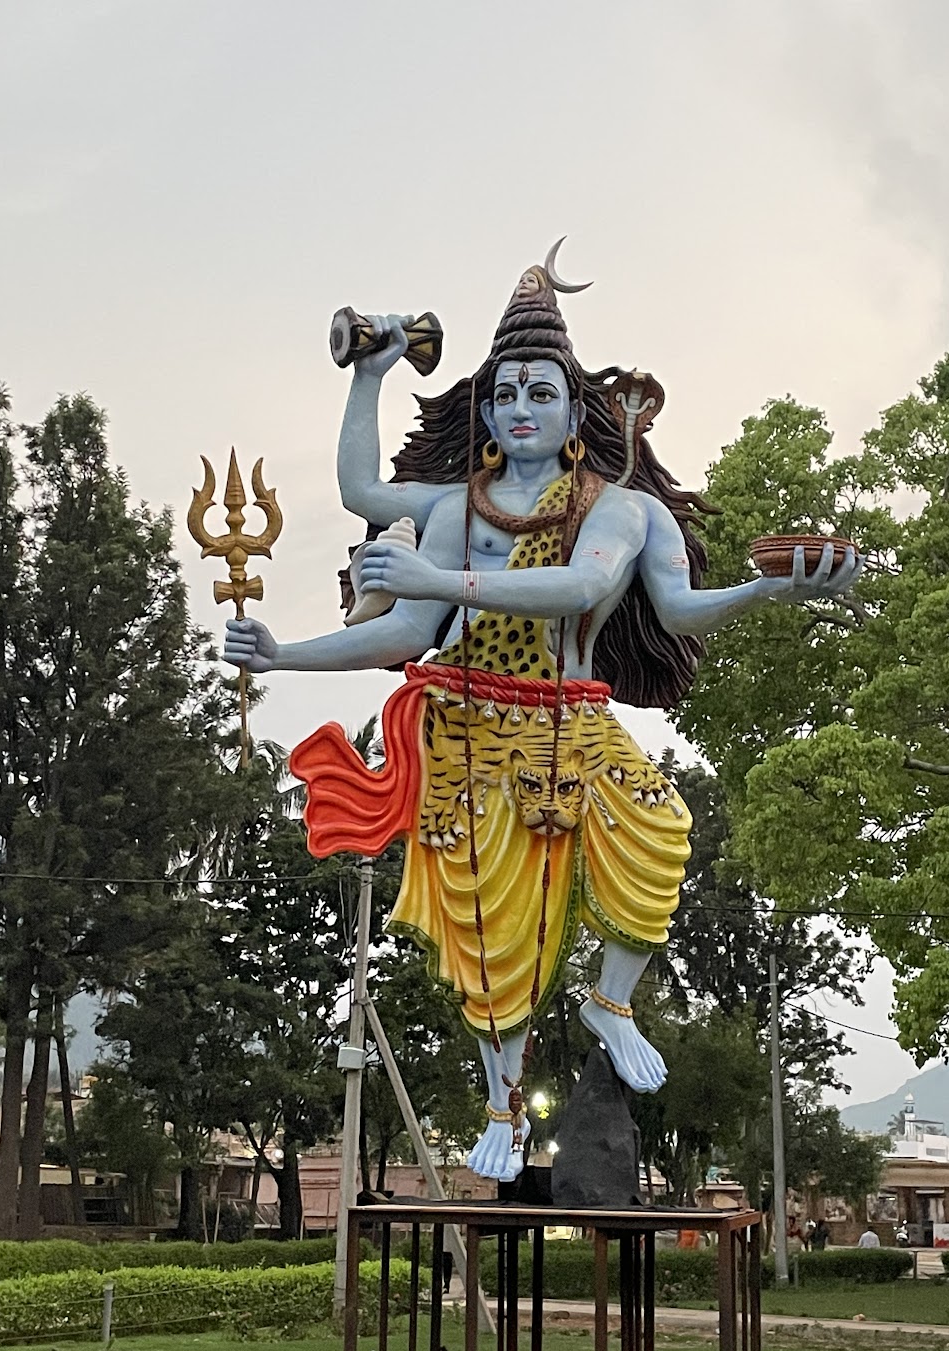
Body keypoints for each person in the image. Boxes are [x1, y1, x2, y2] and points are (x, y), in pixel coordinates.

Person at [225, 253, 860, 1182]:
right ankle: (503, 1107)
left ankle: (612, 1002)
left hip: (571, 715)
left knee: (659, 830)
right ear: (485, 414)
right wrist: (369, 379)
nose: (521, 407)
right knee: (492, 926)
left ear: (576, 414)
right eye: (505, 394)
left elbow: (610, 591)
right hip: (471, 725)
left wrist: (761, 589)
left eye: (542, 393)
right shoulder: (457, 506)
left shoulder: (625, 511)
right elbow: (380, 551)